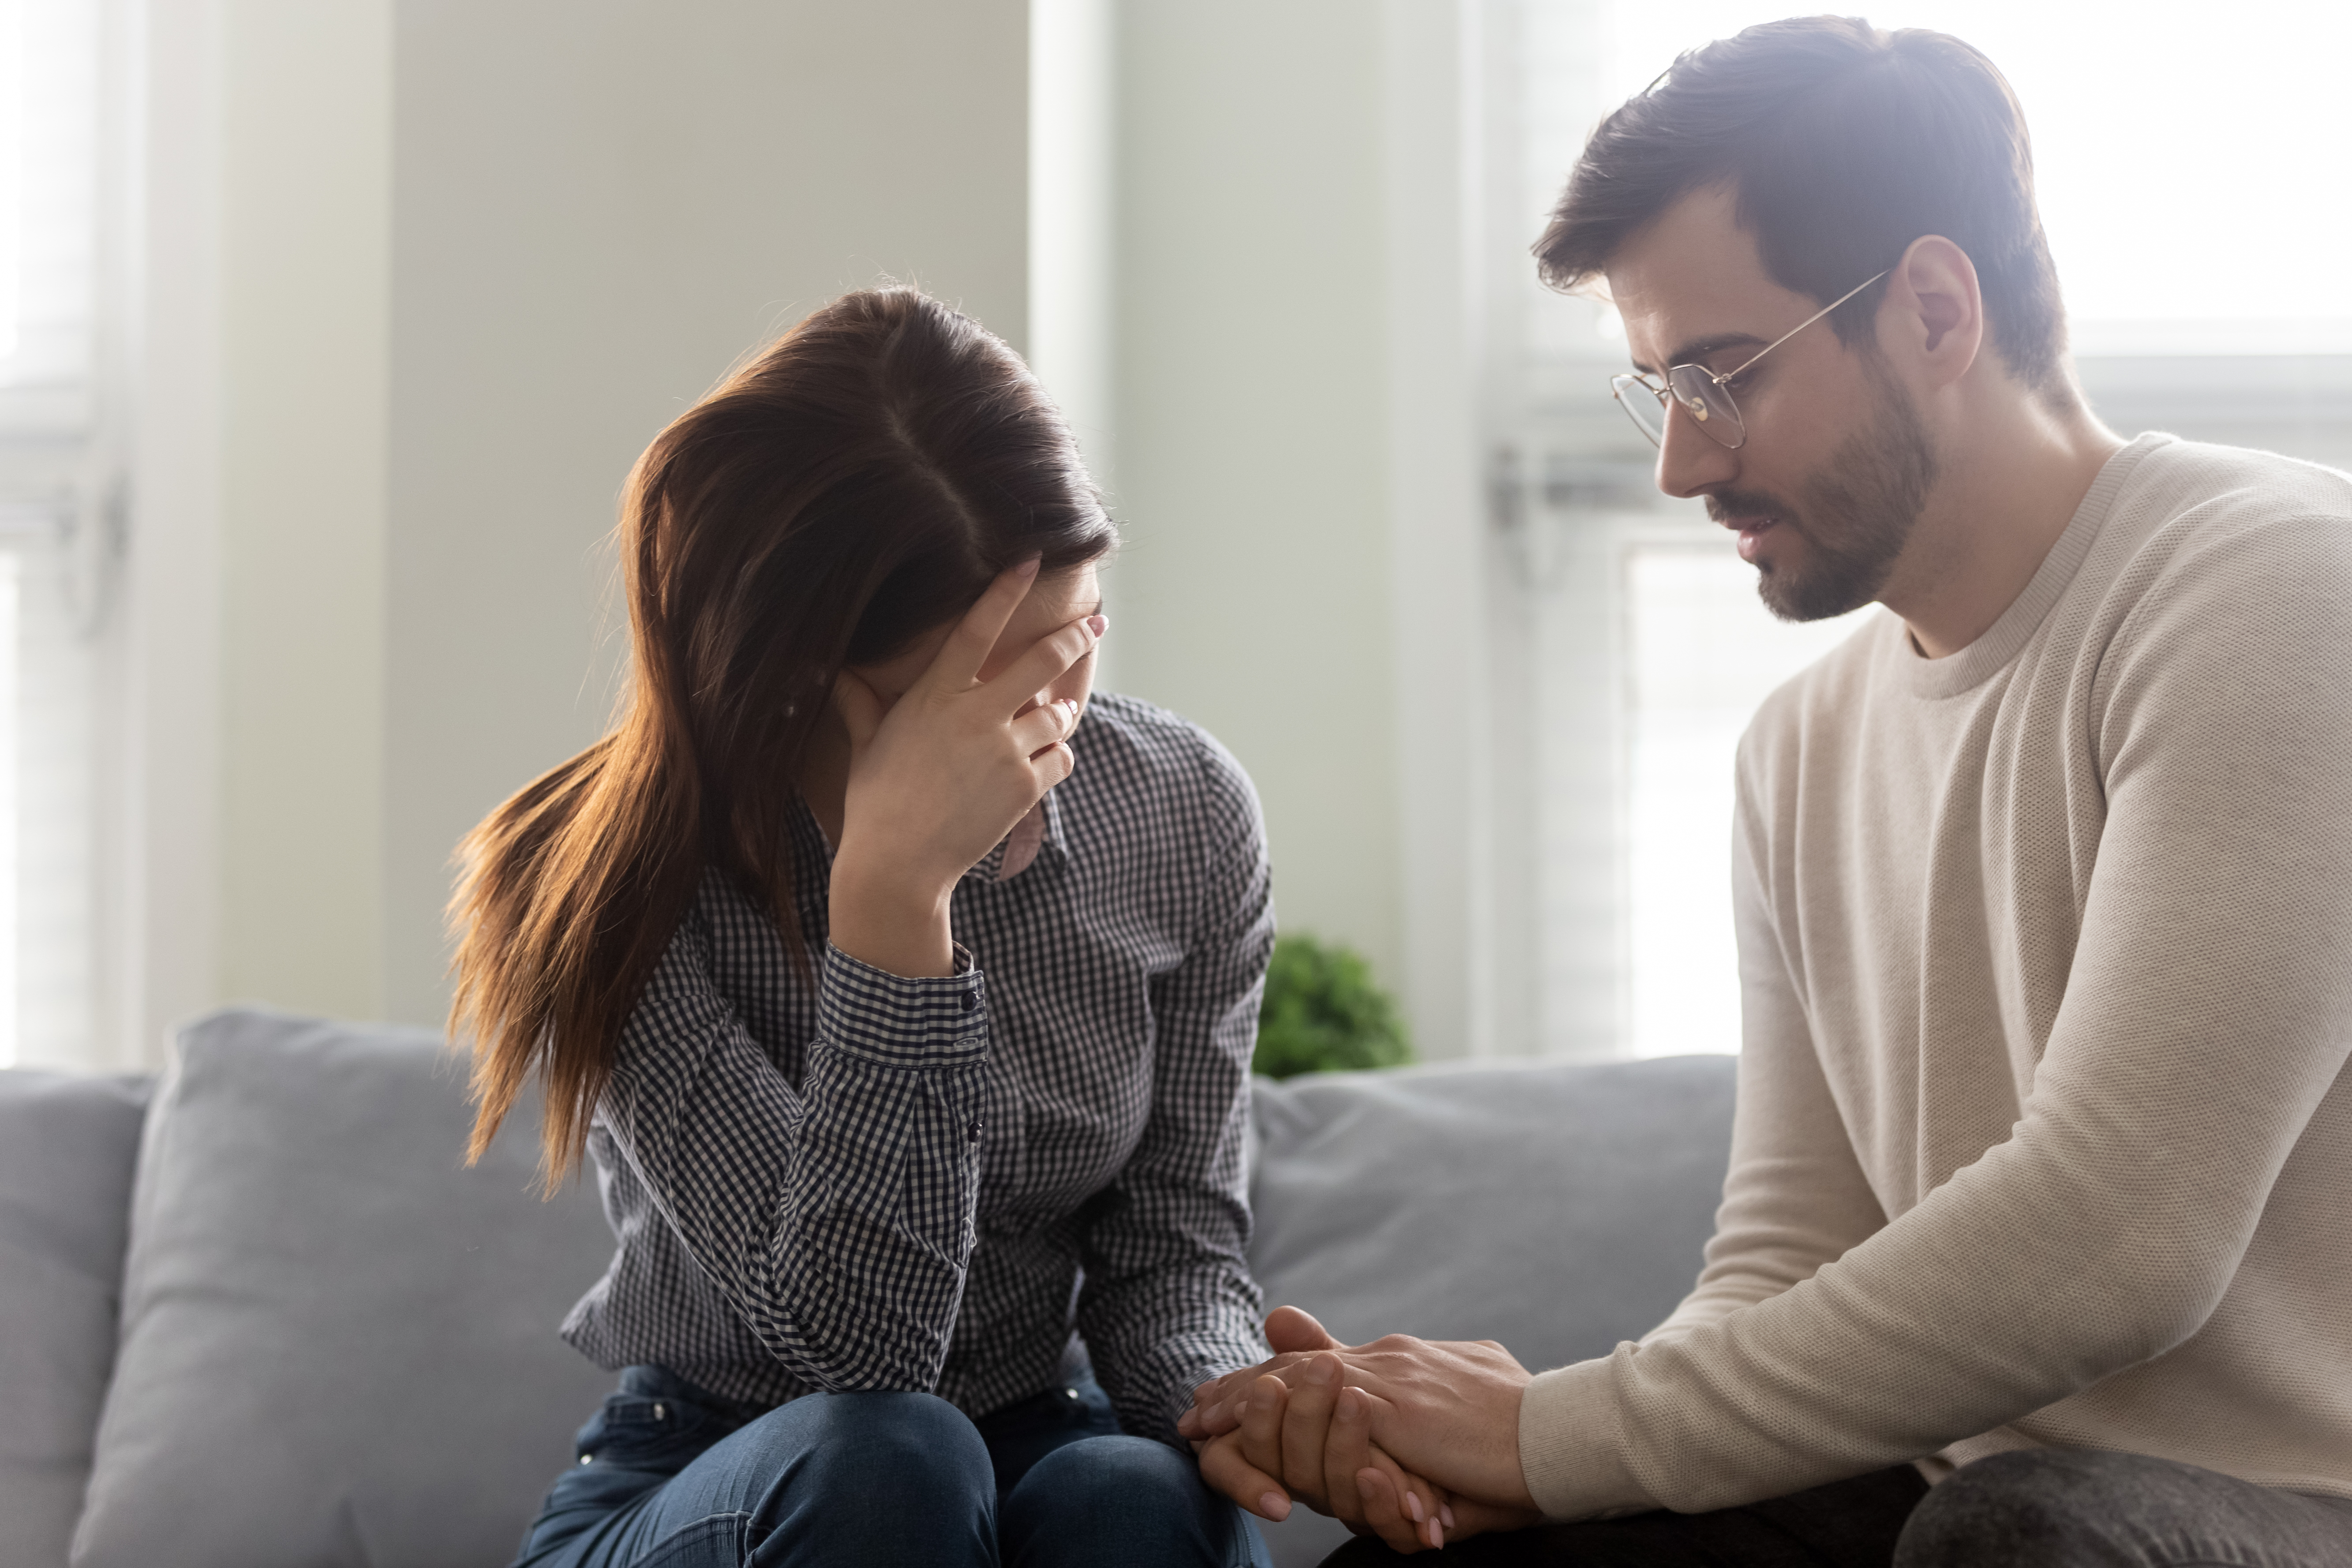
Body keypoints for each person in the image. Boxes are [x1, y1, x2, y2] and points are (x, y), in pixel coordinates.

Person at [1179, 16, 2352, 1566]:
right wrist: (1497, 1469)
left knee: (2015, 1537)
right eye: (1657, 389)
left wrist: (1550, 1430)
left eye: (1721, 376)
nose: (1678, 462)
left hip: (2288, 1502)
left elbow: (2122, 1235)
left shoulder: (2270, 593)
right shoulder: (1798, 747)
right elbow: (1783, 1257)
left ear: (1933, 308)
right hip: (1955, 1487)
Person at [447, 287, 1431, 1568]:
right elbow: (860, 1355)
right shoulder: (604, 870)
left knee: (1136, 1492)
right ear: (813, 664)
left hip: (1032, 1431)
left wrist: (1234, 1399)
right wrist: (894, 902)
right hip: (714, 1474)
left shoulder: (1178, 811)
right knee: (887, 1453)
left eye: (1077, 633)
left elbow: (1170, 1248)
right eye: (1000, 671)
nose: (1060, 704)